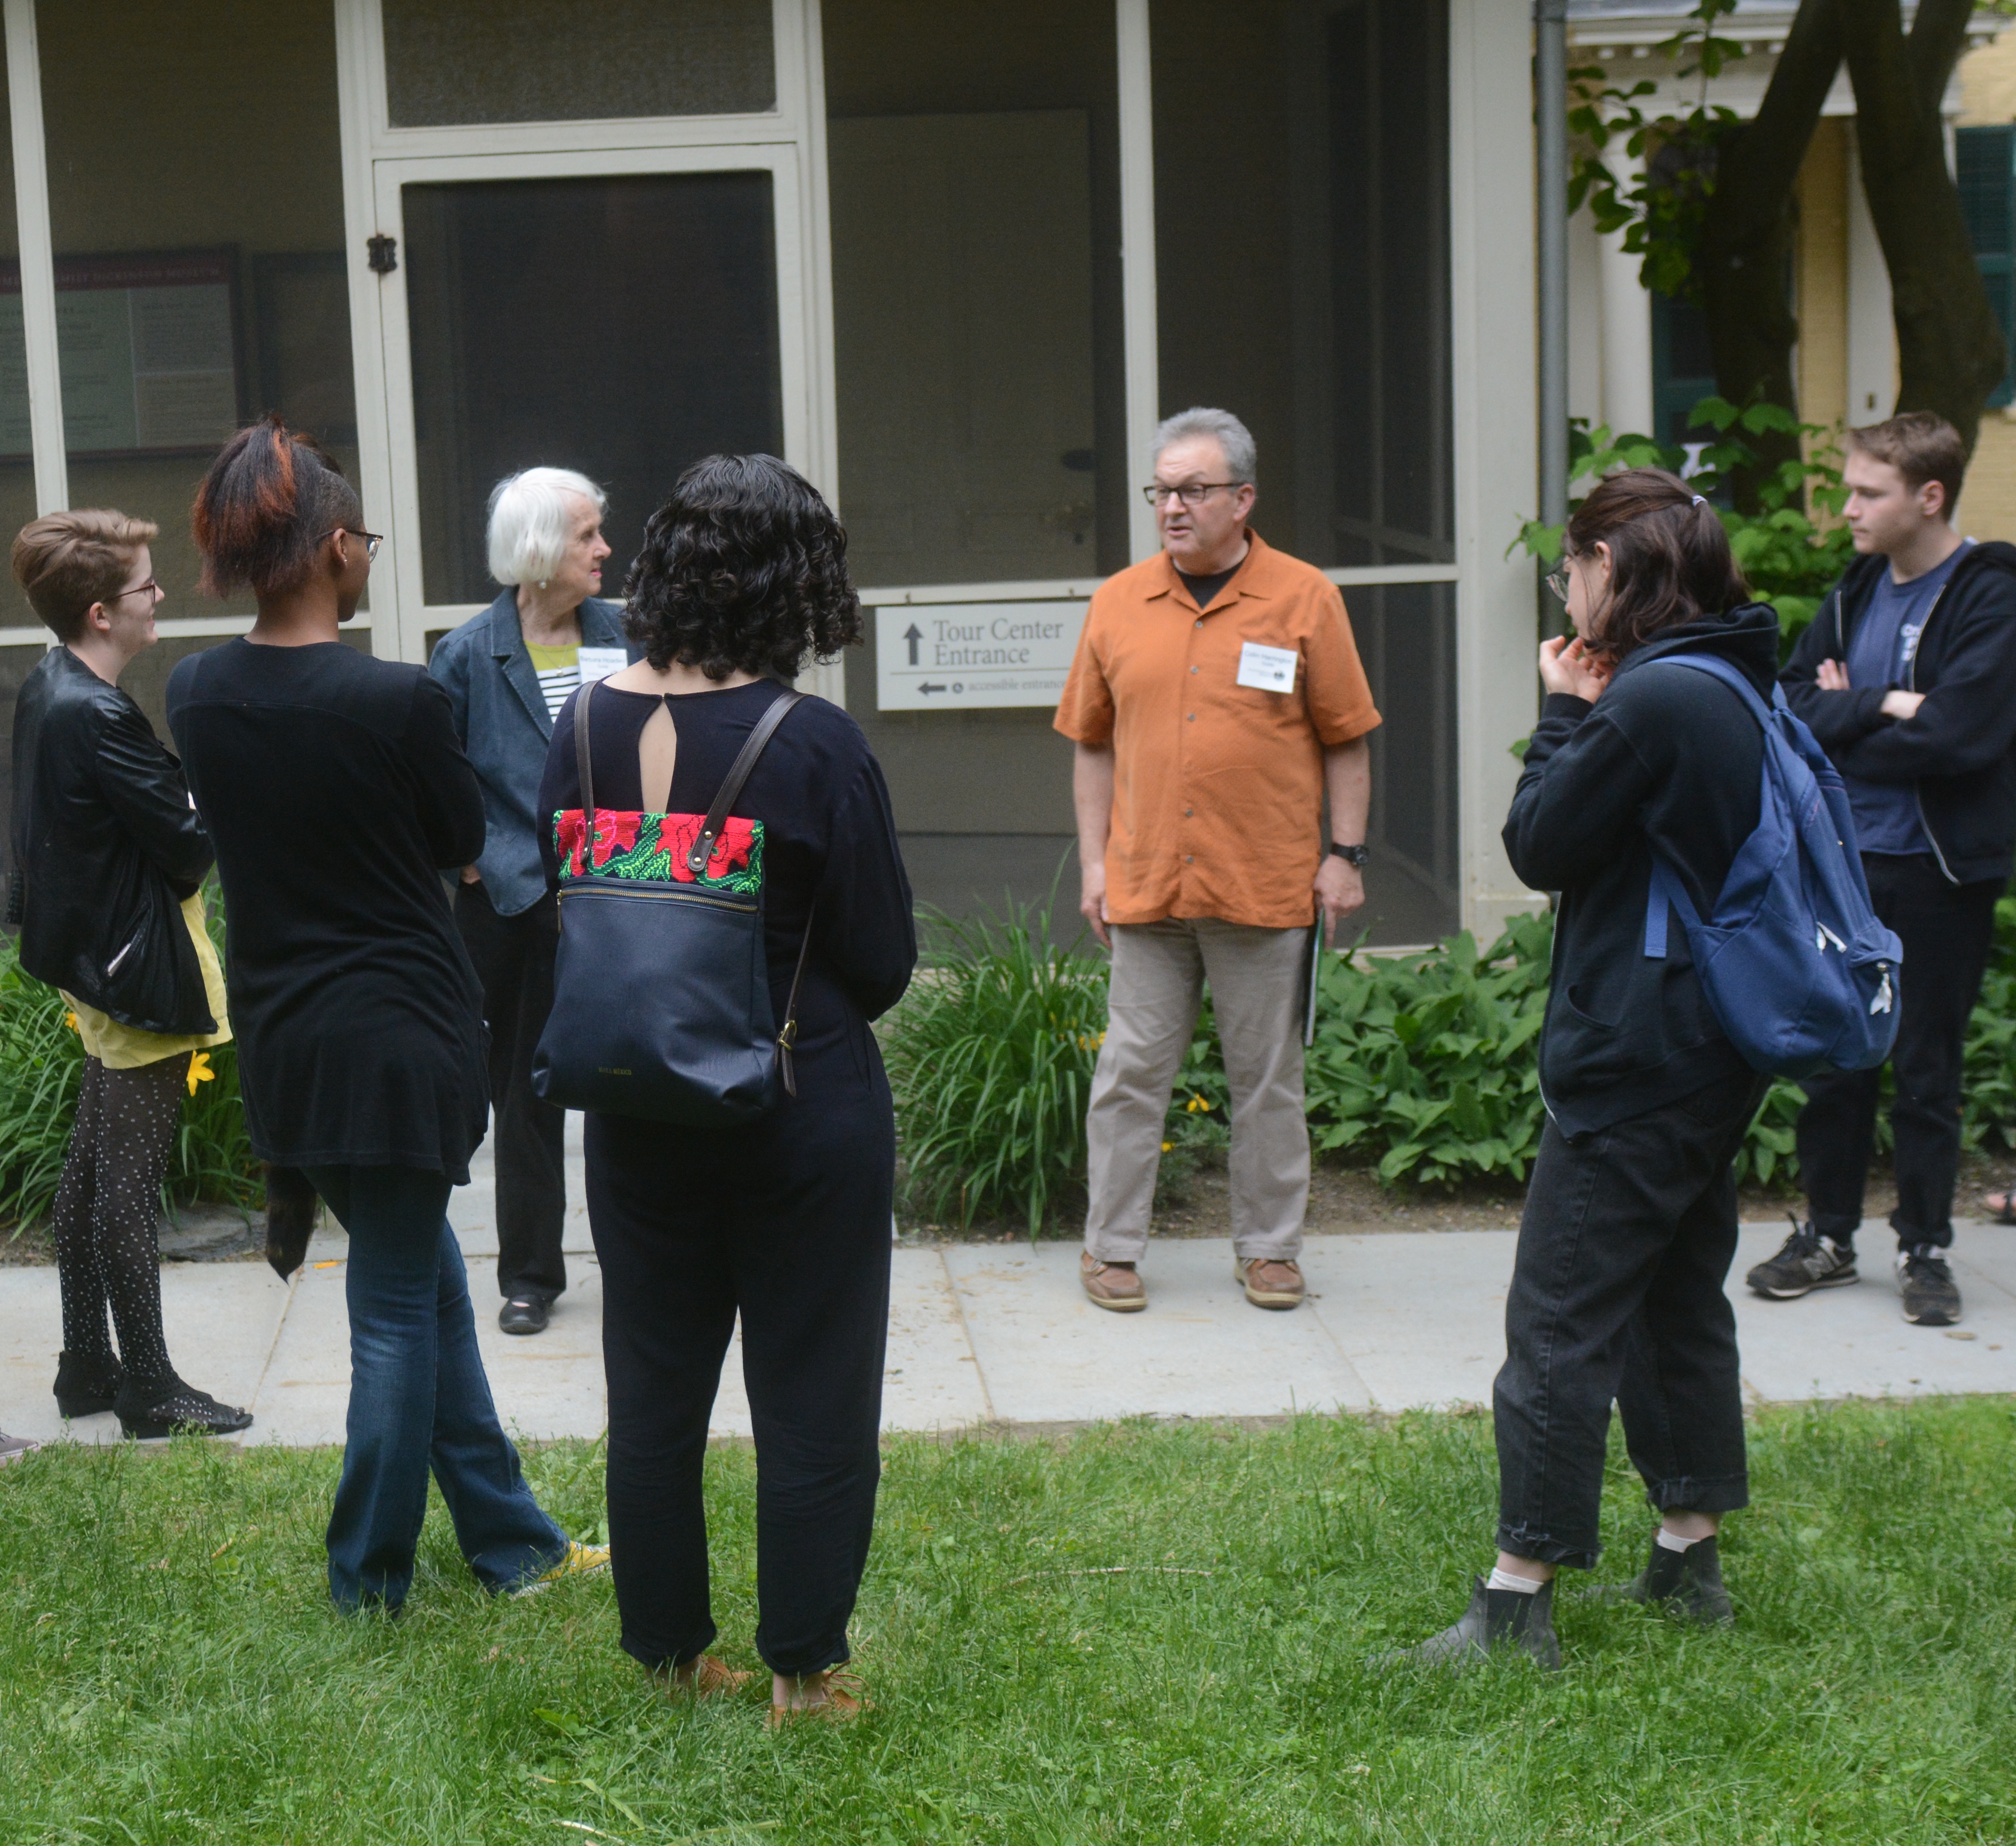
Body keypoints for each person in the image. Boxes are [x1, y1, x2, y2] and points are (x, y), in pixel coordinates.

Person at [167, 417, 600, 1610]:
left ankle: (515, 1542)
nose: (368, 560)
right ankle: (366, 1581)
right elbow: (463, 838)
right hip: (398, 1033)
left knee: (424, 1289)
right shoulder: (396, 701)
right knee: (400, 1313)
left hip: (289, 1043)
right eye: (361, 539)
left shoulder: (195, 692)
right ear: (324, 552)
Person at [539, 453, 913, 1721]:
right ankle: (804, 1672)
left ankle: (667, 1654)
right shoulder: (812, 744)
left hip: (635, 1107)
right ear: (794, 584)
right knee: (811, 1393)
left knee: (652, 1388)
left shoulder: (579, 723)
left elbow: (563, 918)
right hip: (797, 1102)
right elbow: (882, 960)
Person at [1387, 470, 1773, 1668]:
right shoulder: (1734, 672)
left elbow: (1541, 843)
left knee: (1558, 1318)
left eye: (1570, 567)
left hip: (1638, 1057)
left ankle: (1516, 1598)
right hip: (1711, 1046)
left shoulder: (1652, 701)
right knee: (1672, 1300)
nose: (1564, 586)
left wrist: (1562, 708)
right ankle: (1688, 1552)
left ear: (1613, 569)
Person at [1053, 407, 1379, 1314]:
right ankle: (1110, 1248)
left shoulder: (1305, 597)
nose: (1171, 507)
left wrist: (1342, 855)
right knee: (1128, 1076)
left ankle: (1270, 1250)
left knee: (1267, 1080)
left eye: (1192, 490)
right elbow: (1091, 745)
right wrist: (1093, 866)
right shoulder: (1118, 601)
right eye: (1161, 490)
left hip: (1262, 883)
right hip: (1147, 884)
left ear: (1243, 498)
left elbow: (1345, 738)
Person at [1751, 413, 2016, 1329]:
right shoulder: (1858, 586)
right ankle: (1827, 1235)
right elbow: (1787, 707)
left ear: (1927, 496)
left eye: (1869, 492)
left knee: (1926, 1065)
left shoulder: (1989, 594)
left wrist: (1846, 716)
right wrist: (1884, 704)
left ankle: (1924, 1247)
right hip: (1844, 867)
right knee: (1833, 1056)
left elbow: (1959, 737)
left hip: (1939, 873)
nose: (1848, 510)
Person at [7, 509, 250, 1440]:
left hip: (93, 963)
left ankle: (84, 1366)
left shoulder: (51, 687)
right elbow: (188, 846)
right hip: (134, 971)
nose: (163, 597)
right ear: (104, 612)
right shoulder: (98, 710)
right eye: (149, 587)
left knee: (88, 1180)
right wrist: (201, 794)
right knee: (124, 1186)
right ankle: (148, 1383)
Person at [429, 467, 630, 1336]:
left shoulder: (630, 635)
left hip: (620, 902)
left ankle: (639, 1262)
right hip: (511, 909)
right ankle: (530, 1278)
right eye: (588, 535)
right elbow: (437, 779)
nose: (604, 550)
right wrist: (473, 861)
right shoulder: (468, 653)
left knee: (632, 1090)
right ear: (544, 552)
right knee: (525, 1096)